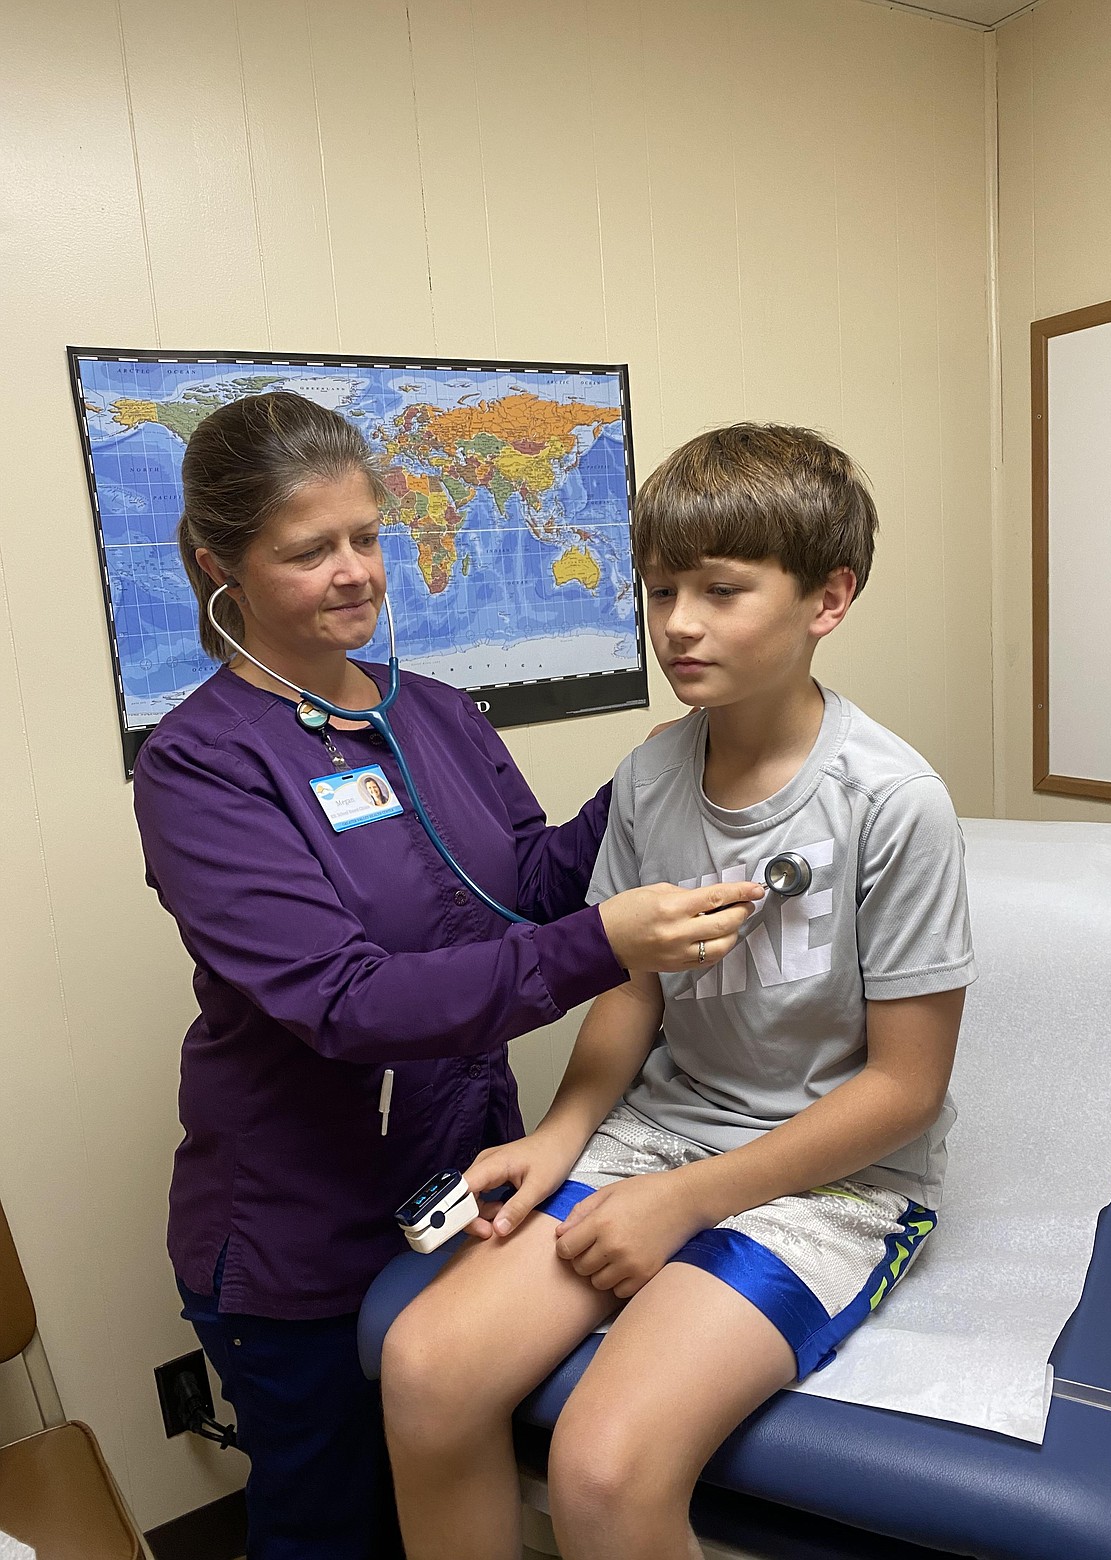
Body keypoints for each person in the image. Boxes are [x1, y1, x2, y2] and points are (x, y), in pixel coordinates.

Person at [131, 392, 762, 1560]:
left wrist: (674, 762)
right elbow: (344, 1002)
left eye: (366, 536)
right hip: (299, 1228)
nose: (355, 572)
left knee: (450, 1486)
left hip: (466, 1176)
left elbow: (525, 878)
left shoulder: (436, 713)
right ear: (220, 568)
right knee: (339, 1522)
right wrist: (607, 943)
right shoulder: (198, 767)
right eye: (307, 550)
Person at [381, 423, 977, 1560]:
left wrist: (692, 1201)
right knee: (425, 1372)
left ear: (828, 599)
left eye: (721, 590)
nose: (678, 626)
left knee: (604, 1467)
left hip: (833, 1181)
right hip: (657, 1137)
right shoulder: (654, 774)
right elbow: (631, 988)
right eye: (660, 592)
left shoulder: (893, 802)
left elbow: (905, 1091)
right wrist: (563, 1135)